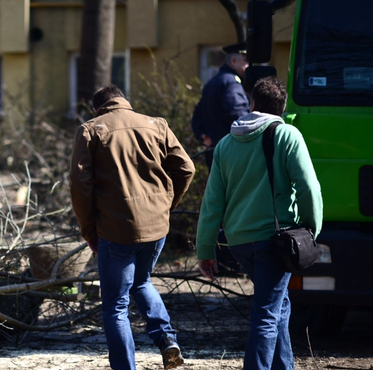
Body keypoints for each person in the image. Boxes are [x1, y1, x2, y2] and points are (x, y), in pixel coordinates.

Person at [196, 77, 322, 370]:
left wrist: (205, 249)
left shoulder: (226, 144)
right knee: (266, 312)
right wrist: (311, 231)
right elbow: (308, 187)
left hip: (239, 242)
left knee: (279, 305)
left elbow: (212, 202)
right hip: (274, 242)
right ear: (283, 107)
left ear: (251, 103)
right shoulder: (287, 135)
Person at [69, 84, 194, 370]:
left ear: (96, 108)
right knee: (142, 281)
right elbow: (186, 168)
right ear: (124, 101)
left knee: (115, 306)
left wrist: (89, 231)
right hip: (156, 227)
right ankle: (166, 339)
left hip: (115, 230)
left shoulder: (90, 130)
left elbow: (79, 186)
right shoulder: (156, 125)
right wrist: (165, 206)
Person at [191, 42, 251, 169]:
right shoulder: (232, 83)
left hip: (214, 152)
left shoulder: (213, 82)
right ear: (234, 61)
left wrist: (205, 136)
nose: (248, 66)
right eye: (246, 61)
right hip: (232, 154)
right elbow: (239, 117)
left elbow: (197, 117)